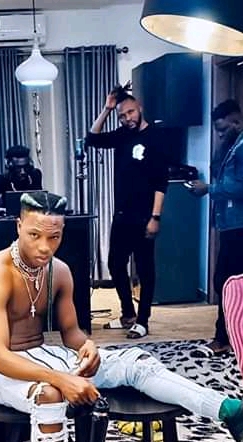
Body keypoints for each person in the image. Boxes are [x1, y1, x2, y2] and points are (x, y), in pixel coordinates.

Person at [0, 190, 243, 442]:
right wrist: (62, 380)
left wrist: (87, 347)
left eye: (54, 237)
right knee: (50, 394)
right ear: (18, 226)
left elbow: (71, 331)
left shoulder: (59, 271)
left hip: (46, 357)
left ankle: (234, 413)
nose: (45, 246)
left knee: (136, 362)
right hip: (0, 369)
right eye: (34, 235)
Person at [187, 99, 243, 357]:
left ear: (237, 121)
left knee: (229, 281)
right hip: (234, 224)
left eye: (223, 129)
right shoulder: (235, 146)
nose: (220, 135)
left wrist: (208, 189)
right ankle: (233, 335)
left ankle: (225, 338)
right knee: (225, 280)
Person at [84, 82, 169, 339]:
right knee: (115, 264)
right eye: (122, 115)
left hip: (145, 216)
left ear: (139, 108)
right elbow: (92, 138)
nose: (127, 118)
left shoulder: (156, 137)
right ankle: (128, 313)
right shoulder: (122, 135)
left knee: (145, 270)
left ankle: (143, 321)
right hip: (122, 215)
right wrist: (107, 109)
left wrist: (155, 217)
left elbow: (161, 182)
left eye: (130, 112)